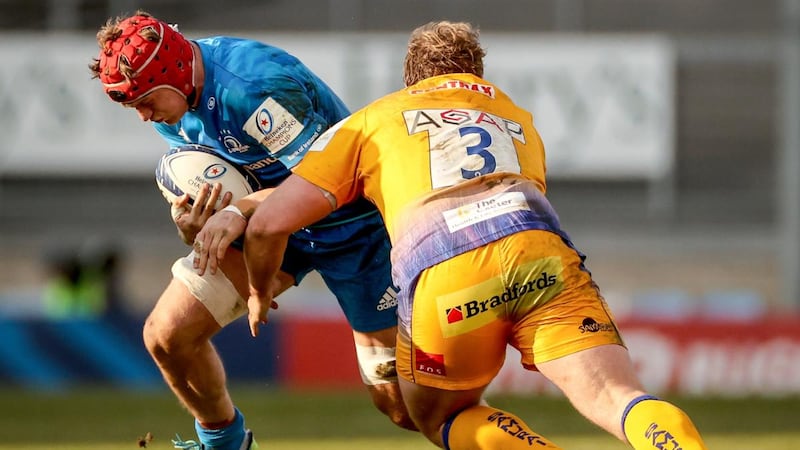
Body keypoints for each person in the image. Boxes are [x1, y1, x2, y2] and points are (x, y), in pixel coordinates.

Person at [212, 20, 709, 449]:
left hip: (448, 274)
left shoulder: (372, 121)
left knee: (440, 416)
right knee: (621, 398)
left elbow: (273, 222)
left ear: (410, 76)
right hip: (541, 255)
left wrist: (258, 289)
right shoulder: (518, 120)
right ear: (475, 75)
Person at [89, 10, 414, 450]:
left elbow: (325, 180)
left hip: (350, 228)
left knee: (405, 407)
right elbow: (224, 182)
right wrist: (196, 225)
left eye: (145, 101)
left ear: (175, 72)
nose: (144, 116)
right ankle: (226, 444)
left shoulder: (254, 87)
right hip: (267, 226)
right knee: (167, 338)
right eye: (134, 106)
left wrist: (238, 211)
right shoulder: (172, 107)